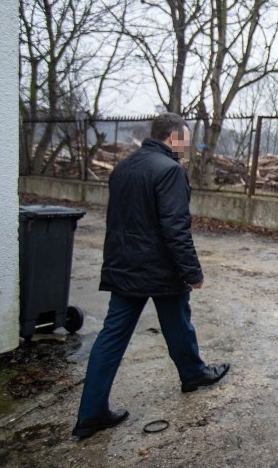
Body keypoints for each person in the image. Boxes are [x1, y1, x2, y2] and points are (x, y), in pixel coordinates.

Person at [72, 113, 230, 439]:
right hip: (159, 270)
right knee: (178, 323)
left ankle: (91, 413)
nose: (186, 146)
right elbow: (175, 228)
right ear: (173, 137)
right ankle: (193, 374)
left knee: (113, 337)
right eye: (185, 139)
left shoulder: (122, 169)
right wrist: (192, 272)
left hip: (124, 268)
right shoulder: (170, 171)